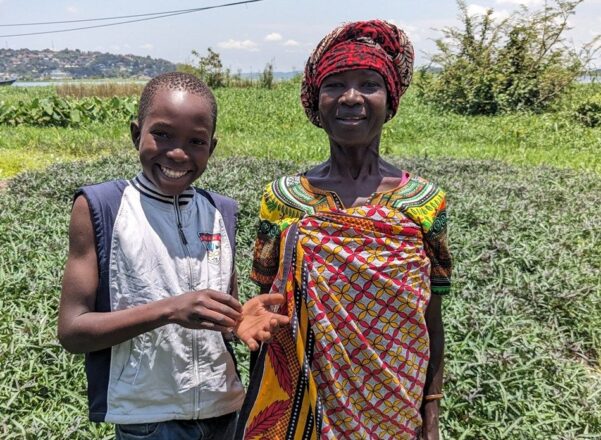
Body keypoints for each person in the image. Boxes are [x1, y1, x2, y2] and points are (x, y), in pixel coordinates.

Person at [236, 21, 452, 440]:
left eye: (369, 84)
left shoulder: (424, 202)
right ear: (317, 103)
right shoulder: (283, 200)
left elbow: (432, 319)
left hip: (396, 407)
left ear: (390, 102)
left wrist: (431, 416)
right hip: (306, 409)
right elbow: (268, 314)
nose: (351, 97)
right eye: (335, 85)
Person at [58, 72, 289, 440]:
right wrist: (169, 310)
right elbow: (73, 331)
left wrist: (237, 320)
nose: (178, 153)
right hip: (149, 420)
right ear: (136, 134)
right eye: (162, 134)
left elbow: (218, 314)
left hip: (224, 409)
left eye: (195, 141)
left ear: (211, 148)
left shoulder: (221, 211)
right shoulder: (101, 207)